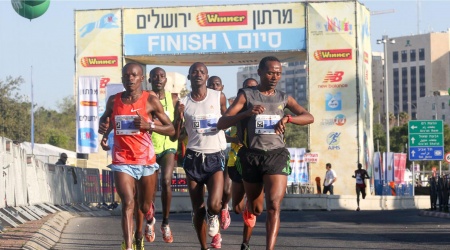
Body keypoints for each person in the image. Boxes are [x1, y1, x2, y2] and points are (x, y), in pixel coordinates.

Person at [217, 56, 314, 250]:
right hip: (251, 155)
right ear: (260, 73)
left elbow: (308, 117)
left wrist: (288, 119)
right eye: (270, 72)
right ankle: (246, 206)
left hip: (276, 155)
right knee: (255, 208)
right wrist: (247, 113)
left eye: (278, 73)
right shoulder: (246, 95)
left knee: (274, 206)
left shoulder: (283, 97)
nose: (274, 76)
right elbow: (222, 122)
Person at [98, 62, 175, 250]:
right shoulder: (114, 100)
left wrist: (150, 126)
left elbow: (171, 129)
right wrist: (104, 129)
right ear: (122, 78)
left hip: (146, 161)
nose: (130, 78)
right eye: (126, 75)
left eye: (134, 75)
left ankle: (144, 225)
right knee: (128, 202)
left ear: (141, 78)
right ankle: (129, 244)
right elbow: (106, 119)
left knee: (143, 205)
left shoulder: (150, 100)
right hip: (122, 159)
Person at [173, 62, 227, 250]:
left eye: (202, 72)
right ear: (189, 77)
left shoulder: (218, 97)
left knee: (213, 204)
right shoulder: (183, 103)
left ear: (207, 76)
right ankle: (204, 246)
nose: (198, 74)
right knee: (198, 209)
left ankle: (214, 215)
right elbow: (176, 135)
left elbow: (227, 121)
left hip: (214, 156)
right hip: (193, 157)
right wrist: (177, 117)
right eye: (194, 72)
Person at [148, 67, 179, 243]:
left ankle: (166, 223)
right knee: (150, 188)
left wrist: (180, 117)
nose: (158, 79)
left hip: (169, 146)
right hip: (151, 147)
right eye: (155, 76)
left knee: (166, 181)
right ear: (149, 79)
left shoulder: (173, 98)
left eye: (162, 76)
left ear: (166, 80)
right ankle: (150, 220)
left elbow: (175, 124)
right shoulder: (145, 98)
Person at [226, 78, 258, 250]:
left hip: (255, 161)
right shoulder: (234, 113)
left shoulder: (263, 109)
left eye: (255, 88)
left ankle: (245, 243)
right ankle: (239, 207)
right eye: (248, 89)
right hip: (236, 161)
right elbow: (220, 131)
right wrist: (234, 138)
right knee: (238, 207)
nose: (252, 92)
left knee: (253, 206)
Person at [207, 76, 231, 231]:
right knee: (213, 194)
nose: (214, 87)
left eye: (217, 84)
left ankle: (224, 207)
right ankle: (215, 229)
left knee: (227, 190)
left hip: (226, 150)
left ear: (222, 87)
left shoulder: (226, 105)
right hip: (211, 151)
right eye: (211, 85)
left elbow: (227, 127)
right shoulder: (203, 103)